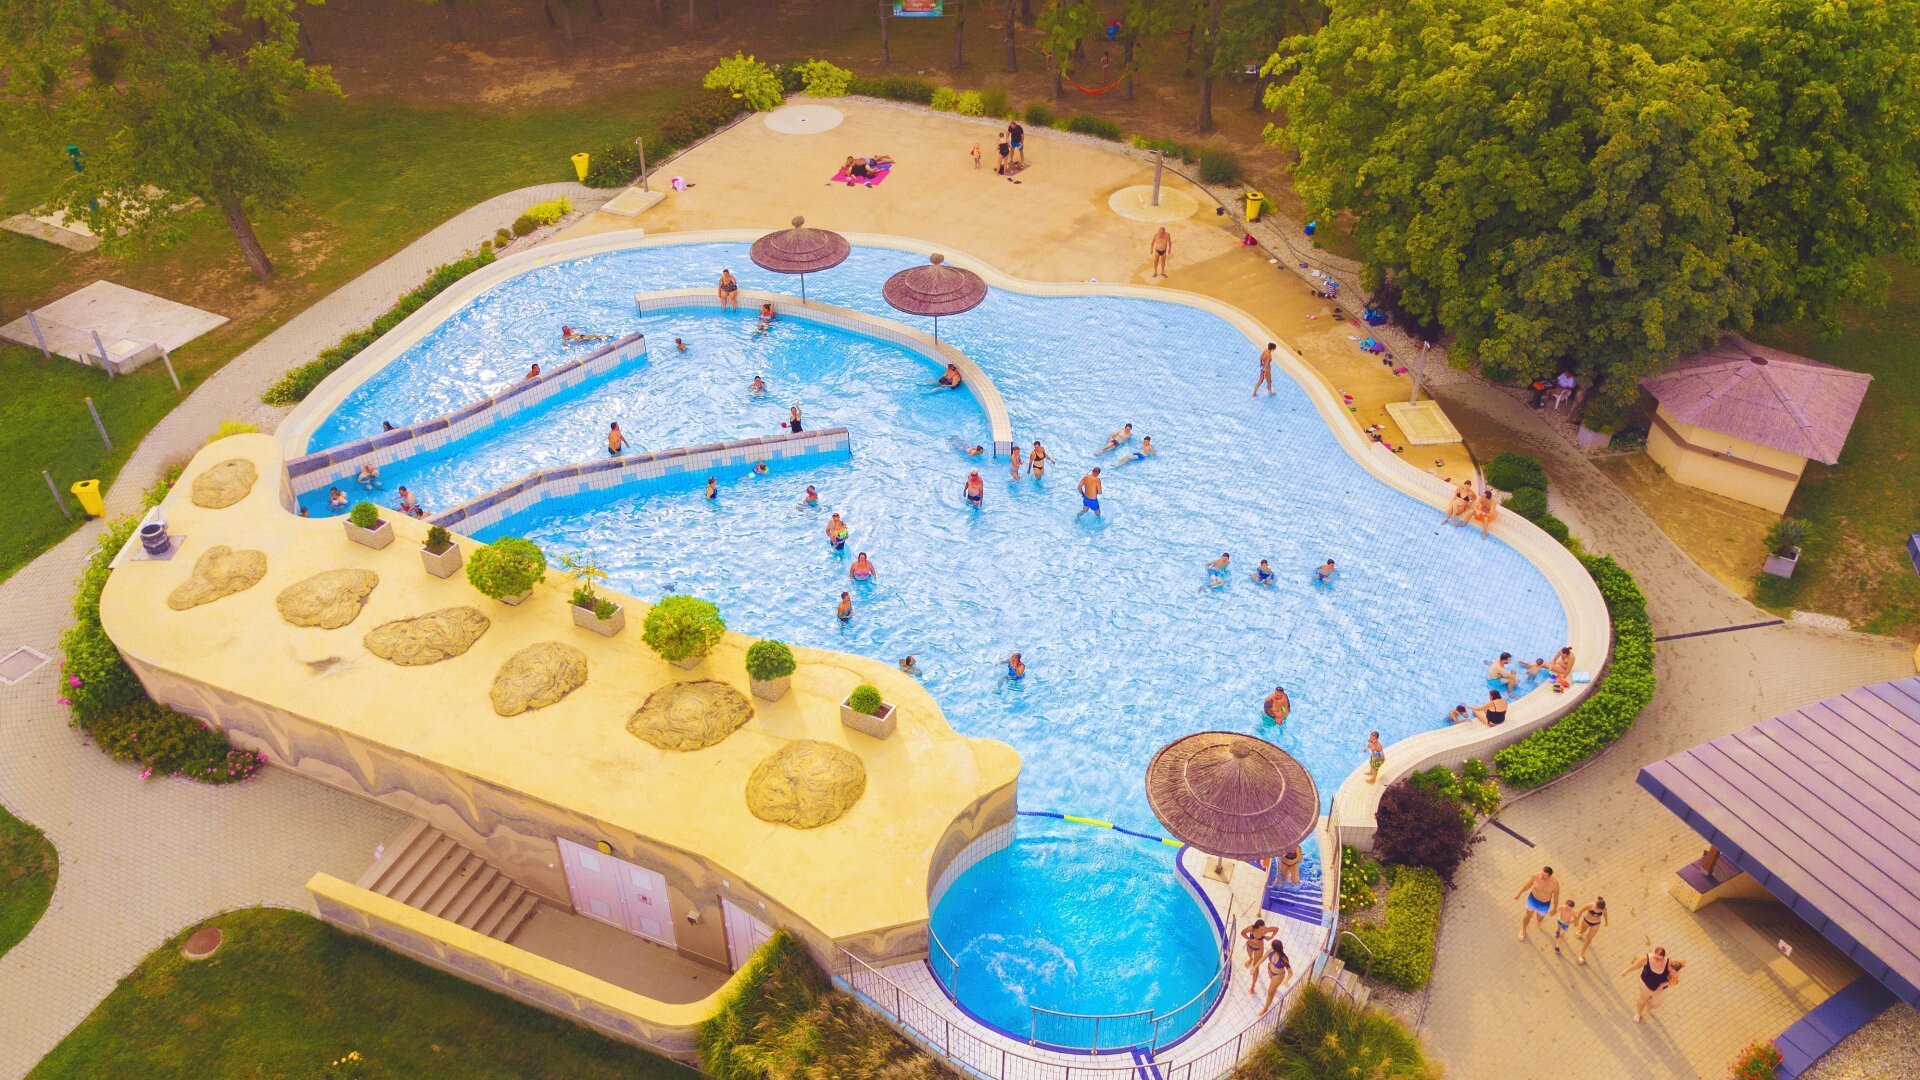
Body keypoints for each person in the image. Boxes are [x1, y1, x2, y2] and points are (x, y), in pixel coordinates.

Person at [1620, 947, 1683, 1022]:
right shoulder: (1647, 958)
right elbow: (1636, 965)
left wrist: (1667, 982)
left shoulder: (1669, 962)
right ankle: (1638, 1013)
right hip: (1646, 984)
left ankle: (1649, 1002)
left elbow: (1675, 974)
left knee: (1656, 1005)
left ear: (1663, 957)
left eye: (1659, 959)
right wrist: (1626, 971)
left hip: (1661, 989)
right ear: (1654, 954)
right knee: (1642, 1000)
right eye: (1656, 957)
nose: (1657, 960)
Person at [1516, 866, 1560, 941]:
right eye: (1541, 873)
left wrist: (1555, 909)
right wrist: (1519, 893)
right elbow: (1528, 885)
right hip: (1532, 899)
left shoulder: (1554, 883)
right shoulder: (1536, 876)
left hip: (1544, 904)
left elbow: (1556, 896)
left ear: (1549, 876)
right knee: (1527, 915)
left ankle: (1538, 921)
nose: (1541, 876)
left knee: (1539, 919)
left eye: (1544, 875)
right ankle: (1523, 930)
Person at [1258, 940, 1293, 1016]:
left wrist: (1286, 980)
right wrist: (1255, 967)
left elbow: (1290, 973)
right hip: (1270, 971)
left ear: (1275, 948)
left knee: (1270, 992)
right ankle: (1274, 988)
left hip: (1278, 975)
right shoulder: (1271, 950)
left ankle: (1265, 1008)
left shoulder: (1283, 959)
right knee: (1273, 988)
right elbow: (1263, 958)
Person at [1572, 897, 1608, 965]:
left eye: (1601, 910)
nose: (1599, 910)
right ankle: (1580, 932)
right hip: (1586, 921)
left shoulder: (1604, 909)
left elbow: (1605, 915)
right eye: (1598, 909)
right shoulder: (1590, 905)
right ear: (1596, 905)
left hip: (1596, 924)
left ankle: (1581, 955)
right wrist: (1576, 920)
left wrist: (1606, 921)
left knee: (1588, 940)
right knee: (1582, 931)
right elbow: (1581, 911)